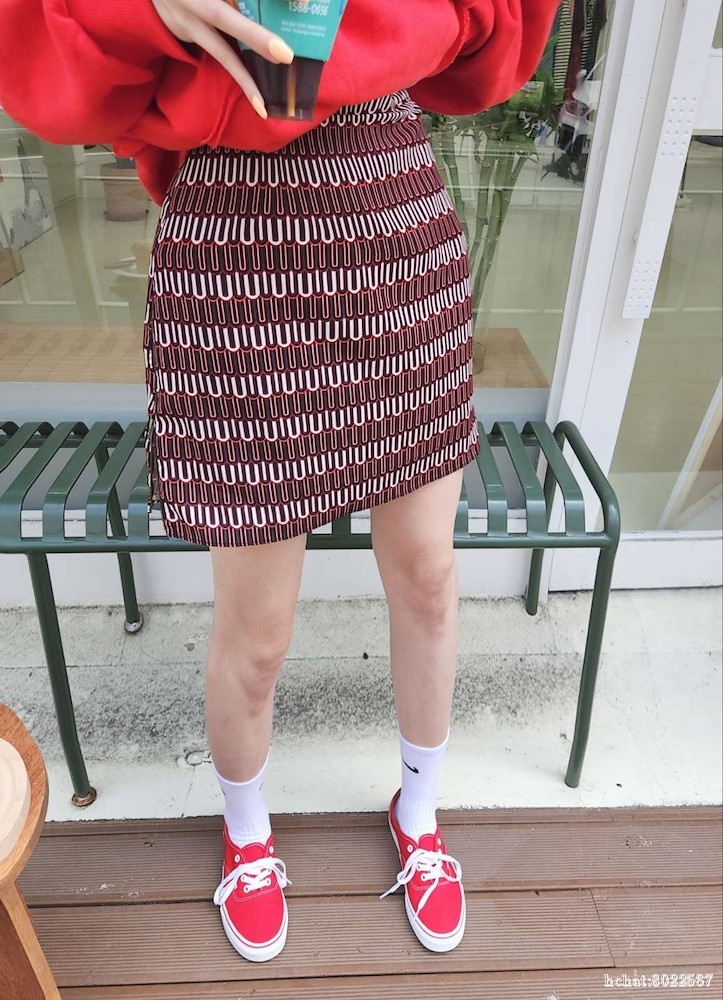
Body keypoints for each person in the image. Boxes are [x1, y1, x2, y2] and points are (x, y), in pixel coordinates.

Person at [0, 0, 559, 962]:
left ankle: (419, 809)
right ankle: (247, 831)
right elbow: (42, 49)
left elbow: (498, 30)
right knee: (256, 634)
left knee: (428, 579)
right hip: (237, 251)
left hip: (393, 231)